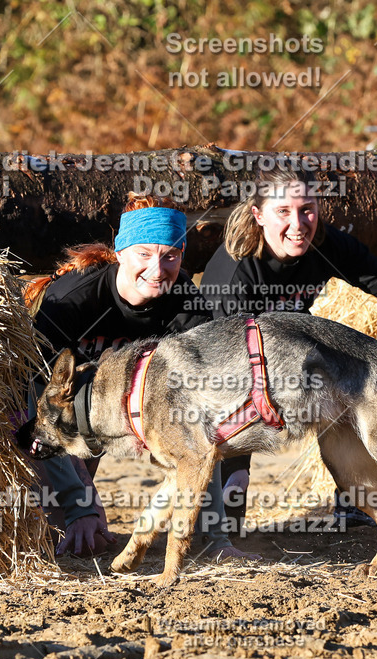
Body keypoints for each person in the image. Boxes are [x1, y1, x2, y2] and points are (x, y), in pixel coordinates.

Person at [200, 166, 377, 530]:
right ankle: (225, 528)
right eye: (283, 212)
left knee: (343, 383)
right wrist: (238, 464)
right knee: (231, 486)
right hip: (235, 374)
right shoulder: (234, 272)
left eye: (307, 209)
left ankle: (362, 499)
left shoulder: (324, 244)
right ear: (258, 215)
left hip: (292, 358)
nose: (299, 223)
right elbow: (225, 377)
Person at [24, 193, 254, 560]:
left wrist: (221, 529)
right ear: (120, 252)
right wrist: (79, 502)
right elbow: (34, 404)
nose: (158, 269)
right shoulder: (72, 299)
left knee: (188, 416)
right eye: (144, 254)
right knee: (57, 536)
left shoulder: (186, 305)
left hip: (108, 420)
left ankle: (211, 541)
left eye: (171, 256)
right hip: (42, 421)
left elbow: (211, 410)